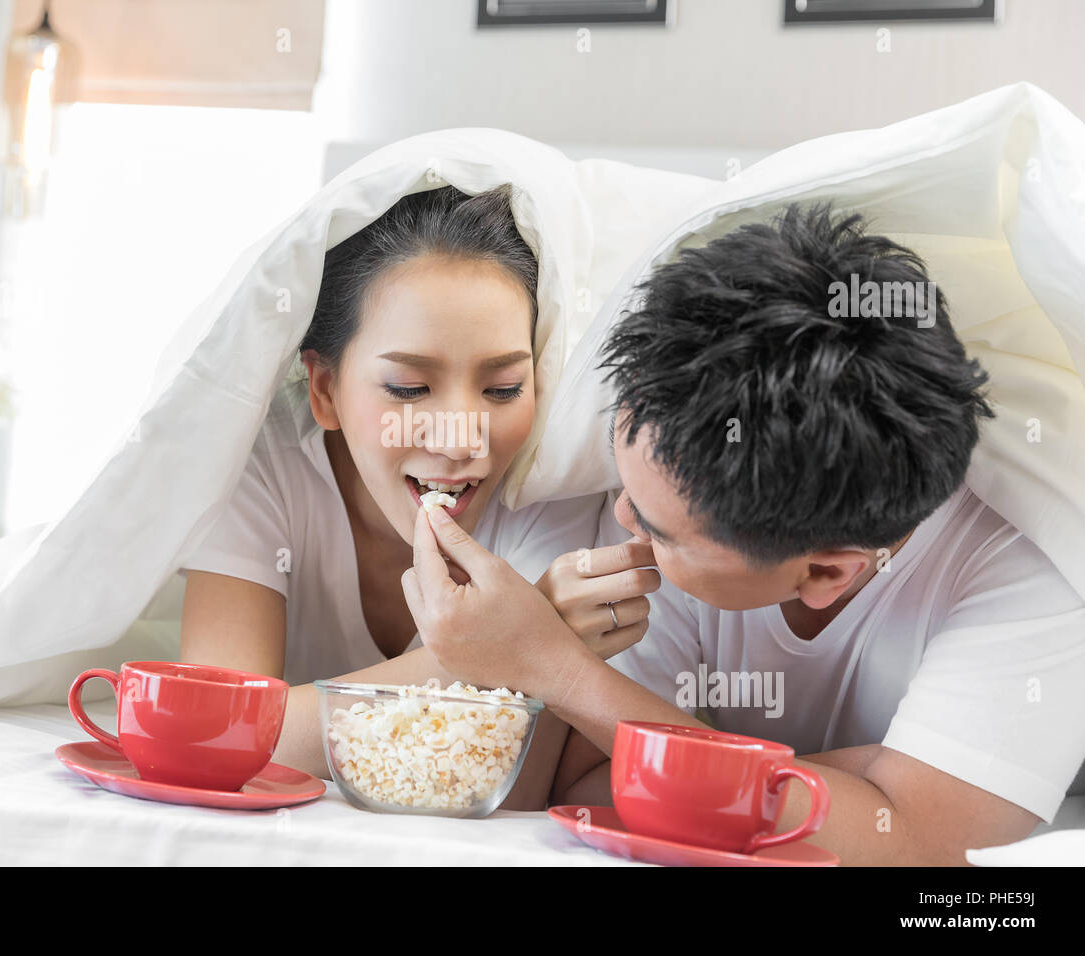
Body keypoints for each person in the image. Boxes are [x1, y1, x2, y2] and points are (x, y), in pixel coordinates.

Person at [401, 203, 1085, 864]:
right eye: (627, 491)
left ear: (826, 572)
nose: (622, 522)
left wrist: (556, 670)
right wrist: (860, 785)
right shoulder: (681, 487)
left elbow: (919, 849)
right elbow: (591, 788)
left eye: (660, 531)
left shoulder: (1035, 566)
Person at [177, 184, 651, 806]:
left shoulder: (548, 494)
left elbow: (513, 792)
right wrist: (514, 644)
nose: (460, 439)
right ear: (323, 389)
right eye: (407, 388)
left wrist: (522, 648)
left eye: (504, 389)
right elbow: (209, 733)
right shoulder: (262, 470)